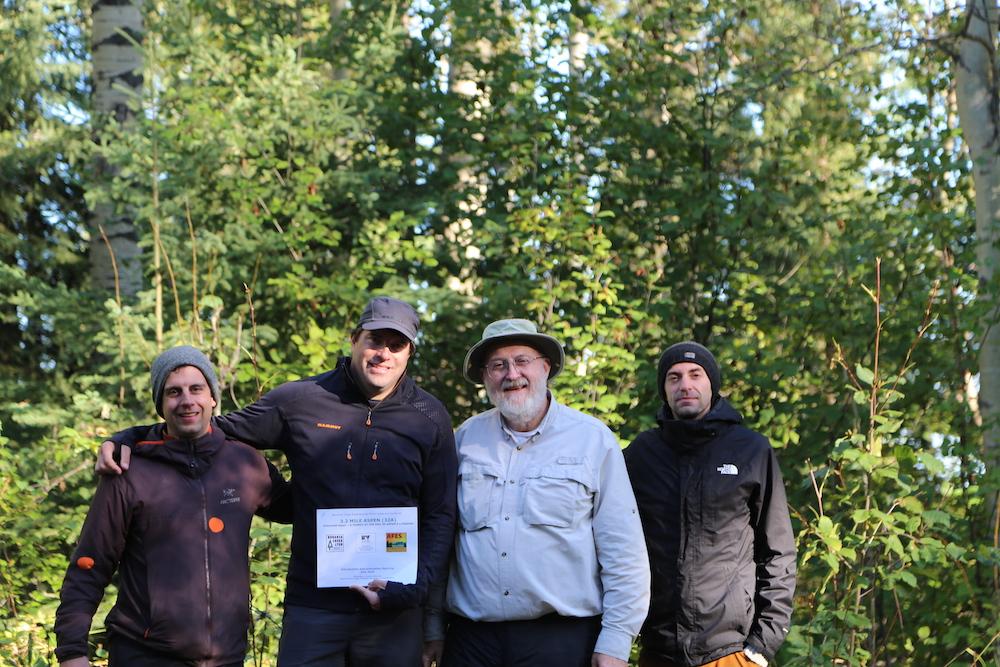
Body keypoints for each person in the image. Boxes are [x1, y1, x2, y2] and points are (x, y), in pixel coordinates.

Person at [98, 296, 458, 666]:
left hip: (394, 612)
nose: (383, 353)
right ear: (354, 339)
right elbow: (205, 427)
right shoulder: (299, 400)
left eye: (396, 344)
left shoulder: (429, 417)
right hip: (313, 609)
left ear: (409, 352)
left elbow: (441, 514)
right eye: (374, 340)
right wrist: (131, 437)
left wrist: (414, 590)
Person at [425, 318, 650, 667]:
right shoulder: (466, 440)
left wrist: (616, 641)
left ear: (545, 366)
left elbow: (624, 550)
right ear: (485, 377)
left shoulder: (593, 440)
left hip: (561, 642)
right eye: (498, 365)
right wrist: (432, 626)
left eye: (521, 360)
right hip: (471, 642)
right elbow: (444, 541)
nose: (511, 374)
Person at [55, 345, 291, 666]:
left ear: (212, 398)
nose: (187, 401)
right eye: (173, 392)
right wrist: (71, 652)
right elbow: (90, 564)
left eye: (196, 389)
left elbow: (297, 509)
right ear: (161, 404)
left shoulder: (245, 463)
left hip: (228, 656)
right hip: (146, 654)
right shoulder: (128, 470)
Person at [623, 342, 796, 667]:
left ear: (712, 384)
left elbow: (779, 551)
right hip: (658, 651)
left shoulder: (751, 451)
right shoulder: (641, 455)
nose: (685, 385)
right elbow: (611, 542)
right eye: (673, 378)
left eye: (695, 375)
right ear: (664, 389)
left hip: (729, 652)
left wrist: (763, 644)